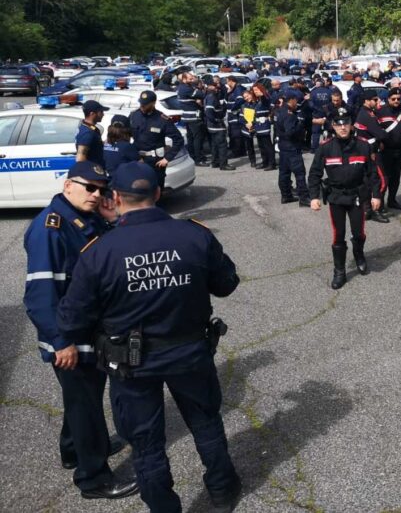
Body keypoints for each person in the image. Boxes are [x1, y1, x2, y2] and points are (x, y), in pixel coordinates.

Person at [56, 162, 243, 513]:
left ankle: (164, 507)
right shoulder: (194, 235)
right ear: (158, 194)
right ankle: (222, 489)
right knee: (205, 423)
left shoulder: (99, 251)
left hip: (132, 366)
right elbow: (227, 284)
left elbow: (72, 318)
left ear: (114, 198)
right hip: (189, 354)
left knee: (146, 443)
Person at [23, 161, 137, 500]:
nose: (96, 194)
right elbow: (40, 294)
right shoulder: (51, 228)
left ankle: (75, 450)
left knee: (80, 400)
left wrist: (112, 220)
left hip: (88, 331)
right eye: (89, 187)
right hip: (71, 337)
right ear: (67, 185)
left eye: (101, 189)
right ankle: (94, 479)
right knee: (86, 405)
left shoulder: (86, 220)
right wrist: (62, 342)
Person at [308, 110, 382, 289]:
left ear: (351, 125)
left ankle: (359, 256)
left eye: (346, 123)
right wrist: (314, 197)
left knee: (358, 232)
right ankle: (339, 271)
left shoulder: (363, 146)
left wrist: (376, 195)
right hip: (336, 197)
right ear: (333, 127)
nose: (342, 127)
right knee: (338, 234)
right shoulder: (325, 148)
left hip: (357, 196)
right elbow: (315, 173)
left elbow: (373, 173)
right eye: (338, 124)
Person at [129, 90, 184, 189]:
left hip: (155, 162)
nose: (142, 106)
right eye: (141, 103)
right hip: (137, 159)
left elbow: (178, 140)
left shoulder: (162, 119)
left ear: (153, 103)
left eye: (145, 104)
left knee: (156, 191)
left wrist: (167, 158)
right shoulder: (134, 115)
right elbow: (126, 134)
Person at [354, 93, 390, 222]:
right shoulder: (367, 115)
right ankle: (376, 209)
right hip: (371, 152)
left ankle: (367, 208)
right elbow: (380, 134)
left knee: (368, 181)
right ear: (366, 101)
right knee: (382, 180)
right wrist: (385, 134)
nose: (377, 101)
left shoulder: (365, 112)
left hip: (366, 150)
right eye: (375, 100)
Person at [376, 87, 401, 210]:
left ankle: (392, 200)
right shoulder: (380, 112)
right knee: (384, 178)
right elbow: (375, 130)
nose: (396, 100)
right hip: (385, 151)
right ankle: (379, 204)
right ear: (388, 99)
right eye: (393, 99)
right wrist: (378, 142)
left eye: (398, 98)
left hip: (400, 150)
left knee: (396, 177)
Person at [276, 90, 311, 206]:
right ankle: (304, 198)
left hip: (283, 147)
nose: (297, 102)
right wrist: (300, 127)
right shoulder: (289, 114)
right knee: (300, 173)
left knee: (284, 173)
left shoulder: (280, 111)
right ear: (292, 100)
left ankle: (286, 196)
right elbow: (290, 132)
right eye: (296, 100)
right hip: (292, 147)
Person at [177, 71, 208, 166]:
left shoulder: (183, 87)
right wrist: (201, 91)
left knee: (191, 138)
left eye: (193, 78)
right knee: (197, 138)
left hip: (188, 117)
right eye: (190, 79)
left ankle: (193, 156)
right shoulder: (186, 89)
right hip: (193, 117)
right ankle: (199, 159)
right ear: (184, 79)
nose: (192, 80)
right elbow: (202, 95)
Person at [75, 100, 109, 166]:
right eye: (101, 112)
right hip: (92, 172)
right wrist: (90, 173)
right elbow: (80, 158)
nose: (103, 114)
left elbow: (93, 145)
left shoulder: (89, 127)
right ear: (92, 114)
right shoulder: (87, 133)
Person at [251, 82, 275, 170]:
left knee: (267, 145)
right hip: (258, 125)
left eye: (257, 90)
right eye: (254, 91)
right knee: (261, 145)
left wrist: (262, 94)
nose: (256, 92)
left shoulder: (265, 98)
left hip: (264, 125)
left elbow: (266, 99)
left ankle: (272, 163)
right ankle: (265, 161)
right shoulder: (257, 100)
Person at [225, 74, 246, 158]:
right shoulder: (233, 90)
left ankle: (237, 152)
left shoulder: (238, 89)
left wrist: (233, 109)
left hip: (235, 116)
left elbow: (240, 100)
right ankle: (239, 150)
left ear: (231, 81)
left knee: (236, 134)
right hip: (232, 116)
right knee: (234, 134)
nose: (227, 83)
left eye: (227, 81)